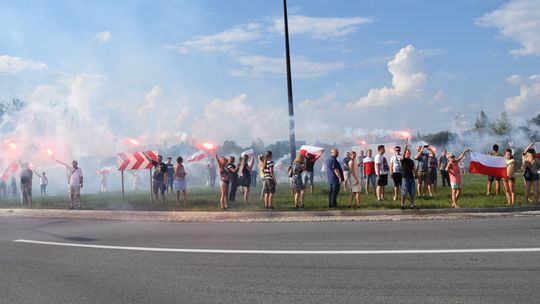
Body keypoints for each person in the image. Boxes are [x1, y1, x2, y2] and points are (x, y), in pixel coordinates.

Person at [400, 145, 417, 209]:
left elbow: (414, 169)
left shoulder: (411, 161)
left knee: (412, 192)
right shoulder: (403, 160)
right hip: (405, 178)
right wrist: (405, 148)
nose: (408, 154)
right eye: (407, 153)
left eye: (409, 153)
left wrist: (416, 175)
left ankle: (412, 205)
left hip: (411, 178)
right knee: (404, 192)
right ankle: (402, 205)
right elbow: (403, 156)